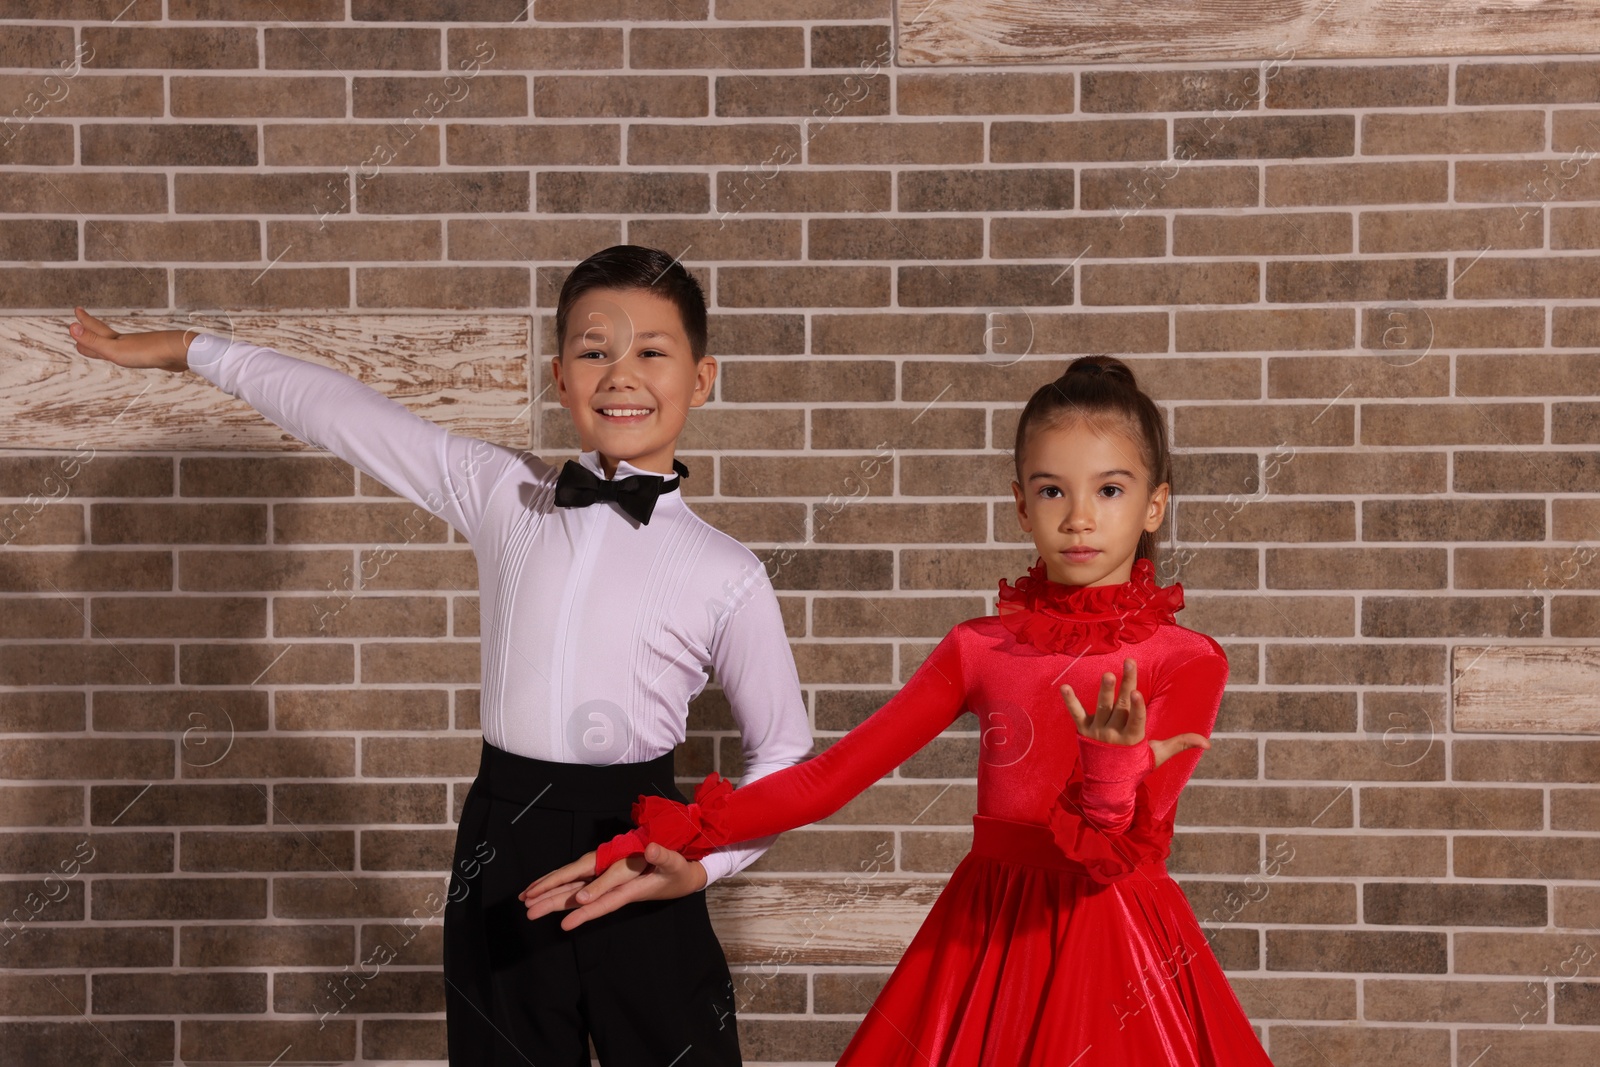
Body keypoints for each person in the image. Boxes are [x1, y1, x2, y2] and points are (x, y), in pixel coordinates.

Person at [63, 245, 814, 1067]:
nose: (619, 374)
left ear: (701, 378)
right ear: (559, 377)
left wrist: (701, 867)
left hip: (643, 846)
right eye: (594, 350)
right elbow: (343, 412)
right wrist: (191, 349)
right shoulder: (502, 492)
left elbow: (783, 751)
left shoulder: (727, 573)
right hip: (502, 841)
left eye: (651, 352)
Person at [522, 356, 1276, 1066]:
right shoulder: (980, 648)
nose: (1079, 516)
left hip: (1115, 942)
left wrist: (1109, 767)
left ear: (1155, 505)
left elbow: (1118, 845)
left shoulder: (1188, 659)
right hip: (988, 934)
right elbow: (831, 776)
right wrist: (671, 833)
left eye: (1109, 490)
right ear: (1020, 504)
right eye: (1052, 490)